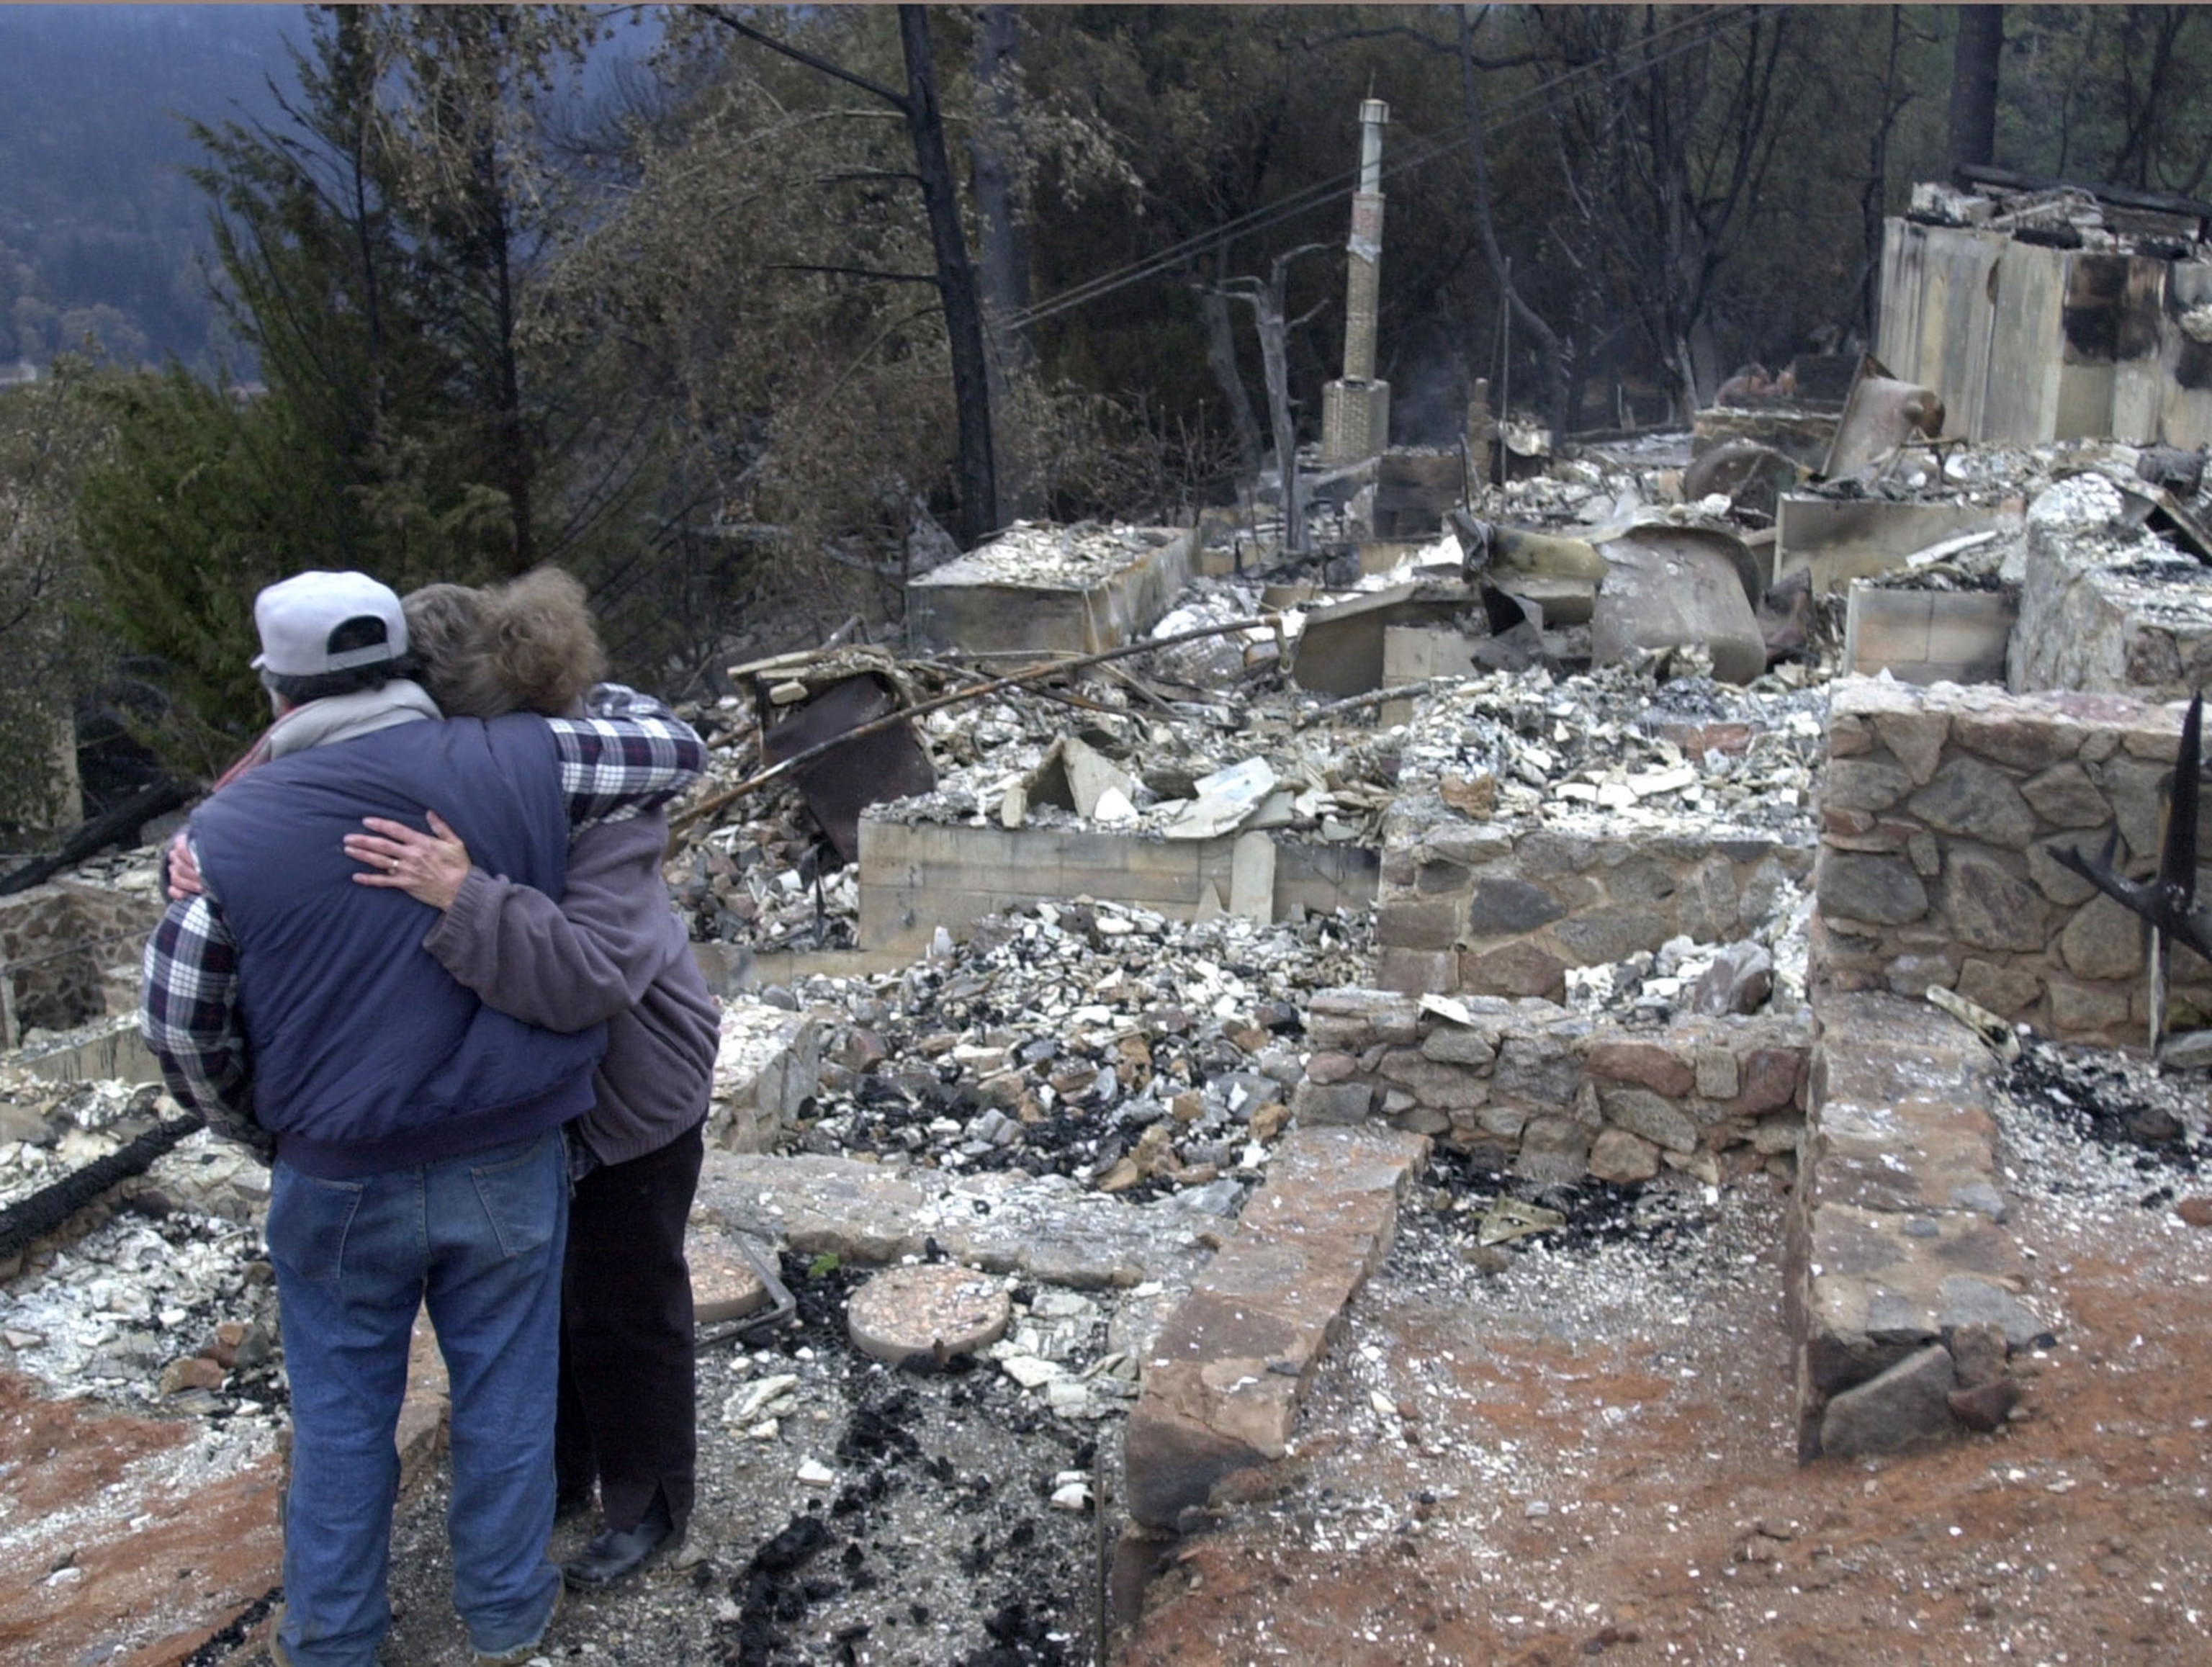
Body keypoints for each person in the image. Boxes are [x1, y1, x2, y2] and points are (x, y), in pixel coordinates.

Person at [140, 570, 704, 1667]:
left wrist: (269, 1134)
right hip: (508, 1139)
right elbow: (674, 742)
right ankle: (504, 1607)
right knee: (508, 1375)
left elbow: (182, 1023)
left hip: (582, 1110)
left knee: (375, 1403)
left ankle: (342, 1636)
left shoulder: (238, 831)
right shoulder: (530, 768)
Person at [345, 573, 717, 1589]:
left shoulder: (610, 803)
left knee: (626, 1304)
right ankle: (561, 1472)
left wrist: (466, 896)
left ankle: (651, 1501)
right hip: (526, 1106)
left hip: (632, 1098)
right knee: (538, 1303)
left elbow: (590, 976)